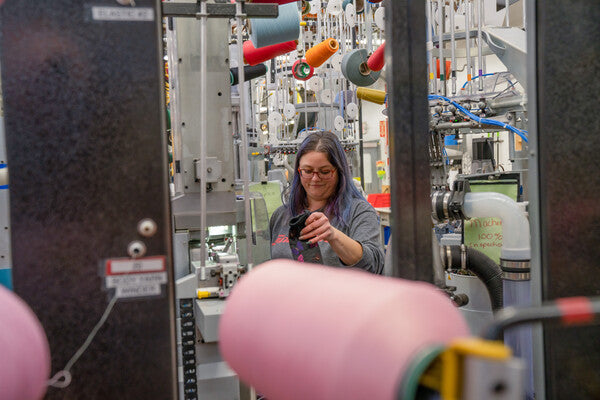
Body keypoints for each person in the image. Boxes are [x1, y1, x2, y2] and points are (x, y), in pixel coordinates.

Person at [269, 131, 384, 274]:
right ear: (299, 171)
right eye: (308, 171)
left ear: (339, 172)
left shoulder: (359, 212)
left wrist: (333, 236)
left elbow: (373, 265)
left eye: (324, 171)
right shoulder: (281, 216)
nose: (315, 178)